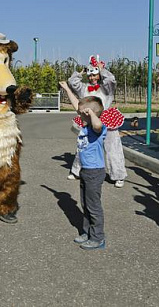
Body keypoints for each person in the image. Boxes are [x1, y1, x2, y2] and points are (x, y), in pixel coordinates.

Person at [60, 81, 107, 250]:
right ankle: (87, 232)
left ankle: (98, 238)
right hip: (86, 171)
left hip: (95, 172)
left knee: (94, 207)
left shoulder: (98, 128)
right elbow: (77, 106)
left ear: (90, 113)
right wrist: (67, 89)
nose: (78, 116)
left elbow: (97, 124)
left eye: (82, 114)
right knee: (85, 205)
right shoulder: (86, 124)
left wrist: (91, 114)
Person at [68, 55, 126, 187]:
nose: (92, 78)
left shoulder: (106, 89)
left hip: (106, 118)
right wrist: (80, 72)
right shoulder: (84, 88)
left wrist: (102, 69)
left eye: (95, 75)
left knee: (113, 148)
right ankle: (77, 171)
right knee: (83, 146)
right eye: (90, 76)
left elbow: (111, 80)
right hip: (88, 120)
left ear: (99, 75)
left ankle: (118, 176)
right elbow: (72, 82)